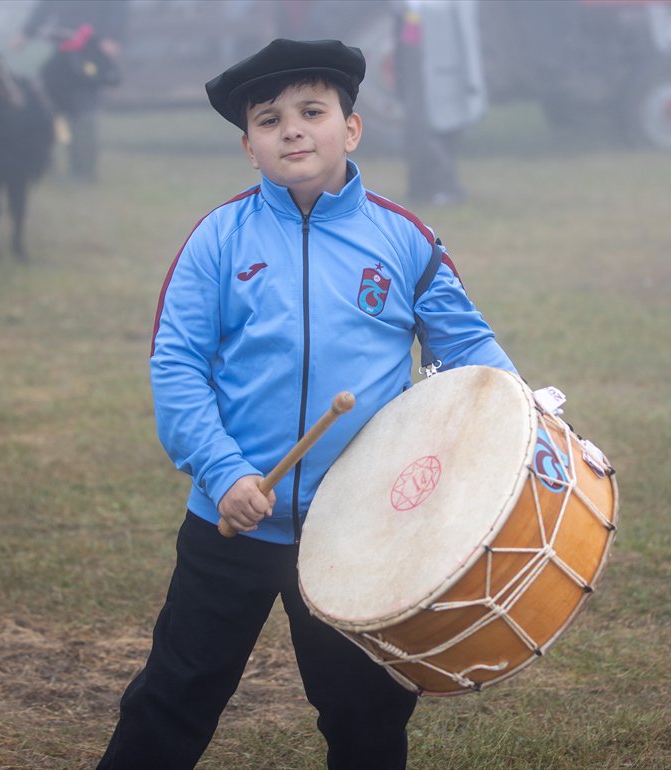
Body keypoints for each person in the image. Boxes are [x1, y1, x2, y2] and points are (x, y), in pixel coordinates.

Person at [97, 38, 516, 770]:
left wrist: (525, 427)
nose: (291, 129)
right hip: (230, 525)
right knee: (175, 695)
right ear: (249, 148)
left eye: (312, 111)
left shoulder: (404, 239)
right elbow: (178, 365)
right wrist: (224, 472)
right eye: (269, 119)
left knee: (366, 714)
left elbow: (470, 350)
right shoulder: (217, 241)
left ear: (350, 129)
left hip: (358, 533)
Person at [11, 0, 128, 183]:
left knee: (84, 112)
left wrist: (112, 37)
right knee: (56, 111)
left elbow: (118, 7)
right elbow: (45, 6)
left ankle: (84, 171)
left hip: (91, 51)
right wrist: (27, 32)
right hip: (63, 52)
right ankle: (54, 163)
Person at [393, 0, 487, 206]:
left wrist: (471, 77)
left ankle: (445, 186)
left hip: (441, 64)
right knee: (416, 123)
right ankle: (421, 186)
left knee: (436, 124)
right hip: (414, 41)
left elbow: (465, 34)